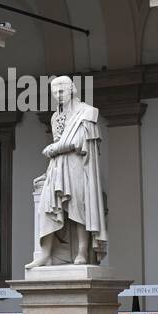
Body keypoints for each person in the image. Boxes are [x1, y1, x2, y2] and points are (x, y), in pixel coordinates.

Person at [27, 76, 107, 267]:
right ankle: (45, 253)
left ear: (72, 89)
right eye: (55, 93)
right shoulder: (55, 117)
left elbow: (80, 142)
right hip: (56, 168)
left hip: (78, 164)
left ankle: (81, 252)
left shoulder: (87, 112)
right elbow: (59, 141)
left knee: (78, 207)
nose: (58, 96)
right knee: (46, 207)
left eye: (61, 91)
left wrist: (55, 149)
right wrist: (49, 170)